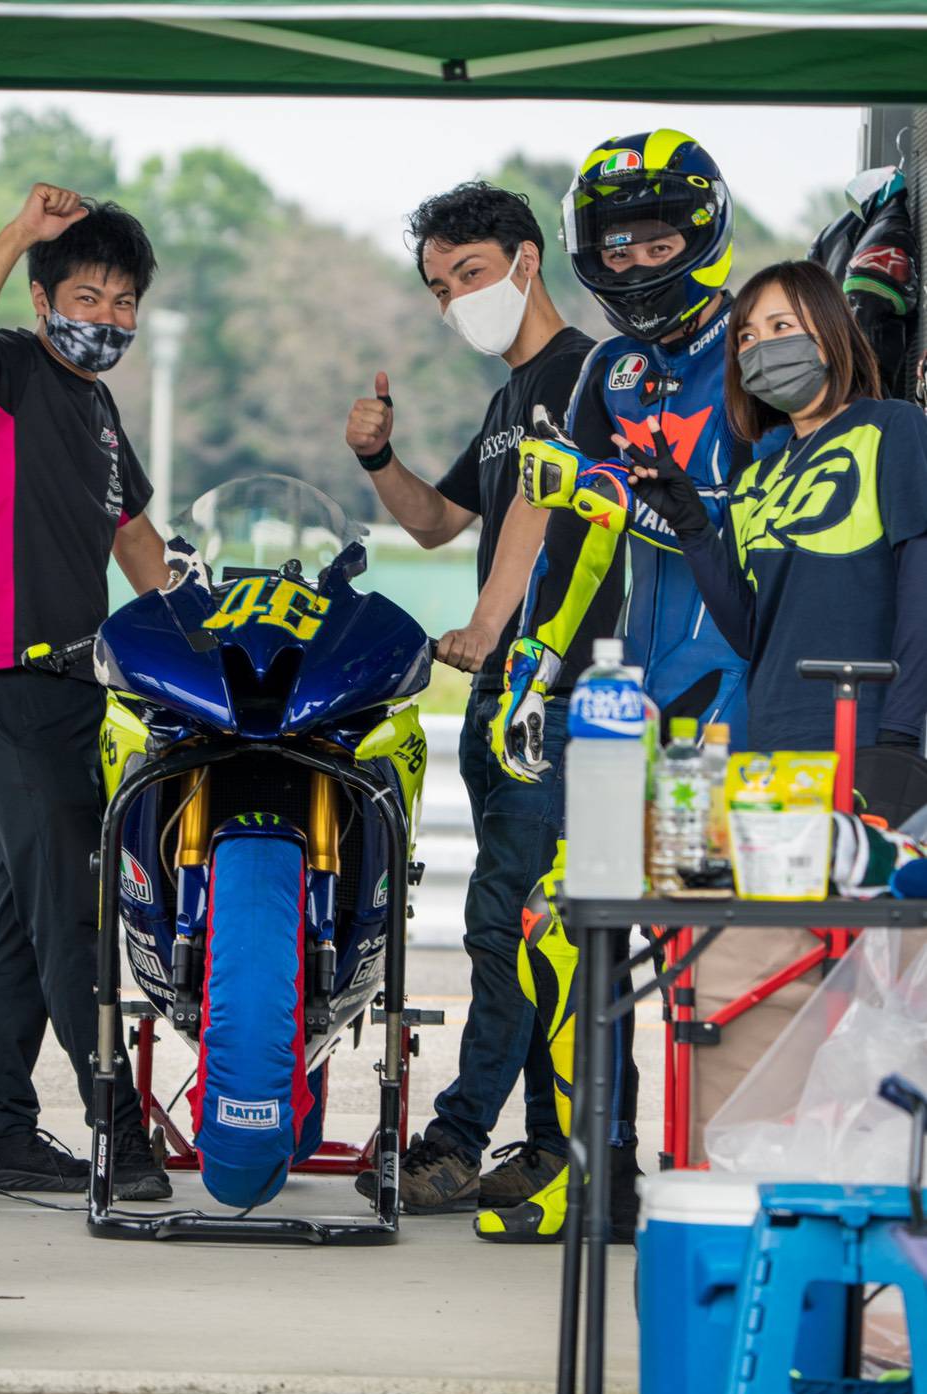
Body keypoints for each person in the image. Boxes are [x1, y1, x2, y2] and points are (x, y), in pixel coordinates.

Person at [477, 128, 746, 1243]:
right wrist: (531, 664)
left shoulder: (763, 347)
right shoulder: (609, 371)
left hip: (730, 697)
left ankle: (719, 1179)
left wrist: (622, 497)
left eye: (656, 239)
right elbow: (574, 533)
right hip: (627, 698)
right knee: (561, 920)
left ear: (705, 232)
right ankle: (597, 1172)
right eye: (614, 245)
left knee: (705, 943)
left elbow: (764, 537)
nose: (633, 262)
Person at [345, 183, 624, 1213]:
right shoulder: (510, 400)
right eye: (438, 287)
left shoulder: (586, 374)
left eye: (469, 274)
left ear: (525, 261)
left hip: (558, 690)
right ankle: (556, 1146)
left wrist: (488, 625)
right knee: (538, 928)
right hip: (504, 695)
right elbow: (436, 522)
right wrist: (377, 457)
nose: (455, 300)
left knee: (508, 922)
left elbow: (544, 515)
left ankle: (459, 1139)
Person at [0, 183, 174, 1199]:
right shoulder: (9, 371)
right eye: (86, 296)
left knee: (23, 918)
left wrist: (208, 633)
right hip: (1, 678)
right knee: (73, 910)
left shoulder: (99, 412)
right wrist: (23, 229)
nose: (106, 317)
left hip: (75, 690)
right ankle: (120, 1132)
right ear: (41, 297)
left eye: (124, 302)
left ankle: (2, 1135)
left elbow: (137, 538)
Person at [616, 258, 927, 752]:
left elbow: (920, 586)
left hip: (867, 734)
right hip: (771, 740)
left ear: (829, 332)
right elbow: (749, 633)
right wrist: (690, 523)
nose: (761, 346)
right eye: (746, 337)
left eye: (781, 326)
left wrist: (900, 734)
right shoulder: (754, 481)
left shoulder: (891, 426)